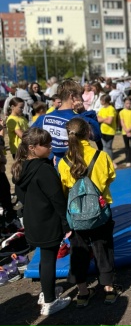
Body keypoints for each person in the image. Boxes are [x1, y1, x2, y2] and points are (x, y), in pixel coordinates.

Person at [58, 118, 121, 307]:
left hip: (76, 215)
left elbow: (64, 189)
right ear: (88, 133)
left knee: (78, 251)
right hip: (100, 212)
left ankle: (83, 293)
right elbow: (110, 177)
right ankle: (108, 289)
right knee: (104, 248)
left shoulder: (63, 162)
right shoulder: (101, 156)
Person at [12, 128, 71, 315]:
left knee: (44, 257)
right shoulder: (44, 170)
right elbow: (57, 199)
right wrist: (66, 223)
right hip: (47, 222)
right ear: (32, 147)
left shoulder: (22, 167)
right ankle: (50, 302)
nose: (50, 147)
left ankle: (47, 291)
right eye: (45, 145)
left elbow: (21, 194)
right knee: (48, 260)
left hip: (32, 221)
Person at [33, 80, 102, 163]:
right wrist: (84, 112)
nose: (83, 99)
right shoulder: (79, 119)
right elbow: (96, 135)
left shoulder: (43, 118)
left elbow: (29, 137)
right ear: (72, 97)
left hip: (50, 164)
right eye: (80, 95)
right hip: (73, 165)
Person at [97, 95, 117, 162]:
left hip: (110, 131)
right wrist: (105, 118)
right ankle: (106, 161)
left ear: (105, 101)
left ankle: (110, 161)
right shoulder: (102, 109)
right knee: (104, 147)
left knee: (108, 147)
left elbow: (109, 121)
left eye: (101, 100)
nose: (100, 101)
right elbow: (98, 119)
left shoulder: (111, 109)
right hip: (102, 131)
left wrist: (102, 119)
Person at [119, 98, 131, 167]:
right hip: (125, 132)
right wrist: (126, 131)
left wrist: (129, 130)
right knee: (127, 146)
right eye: (127, 103)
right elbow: (122, 122)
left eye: (129, 103)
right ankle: (128, 160)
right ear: (124, 104)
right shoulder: (121, 112)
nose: (128, 105)